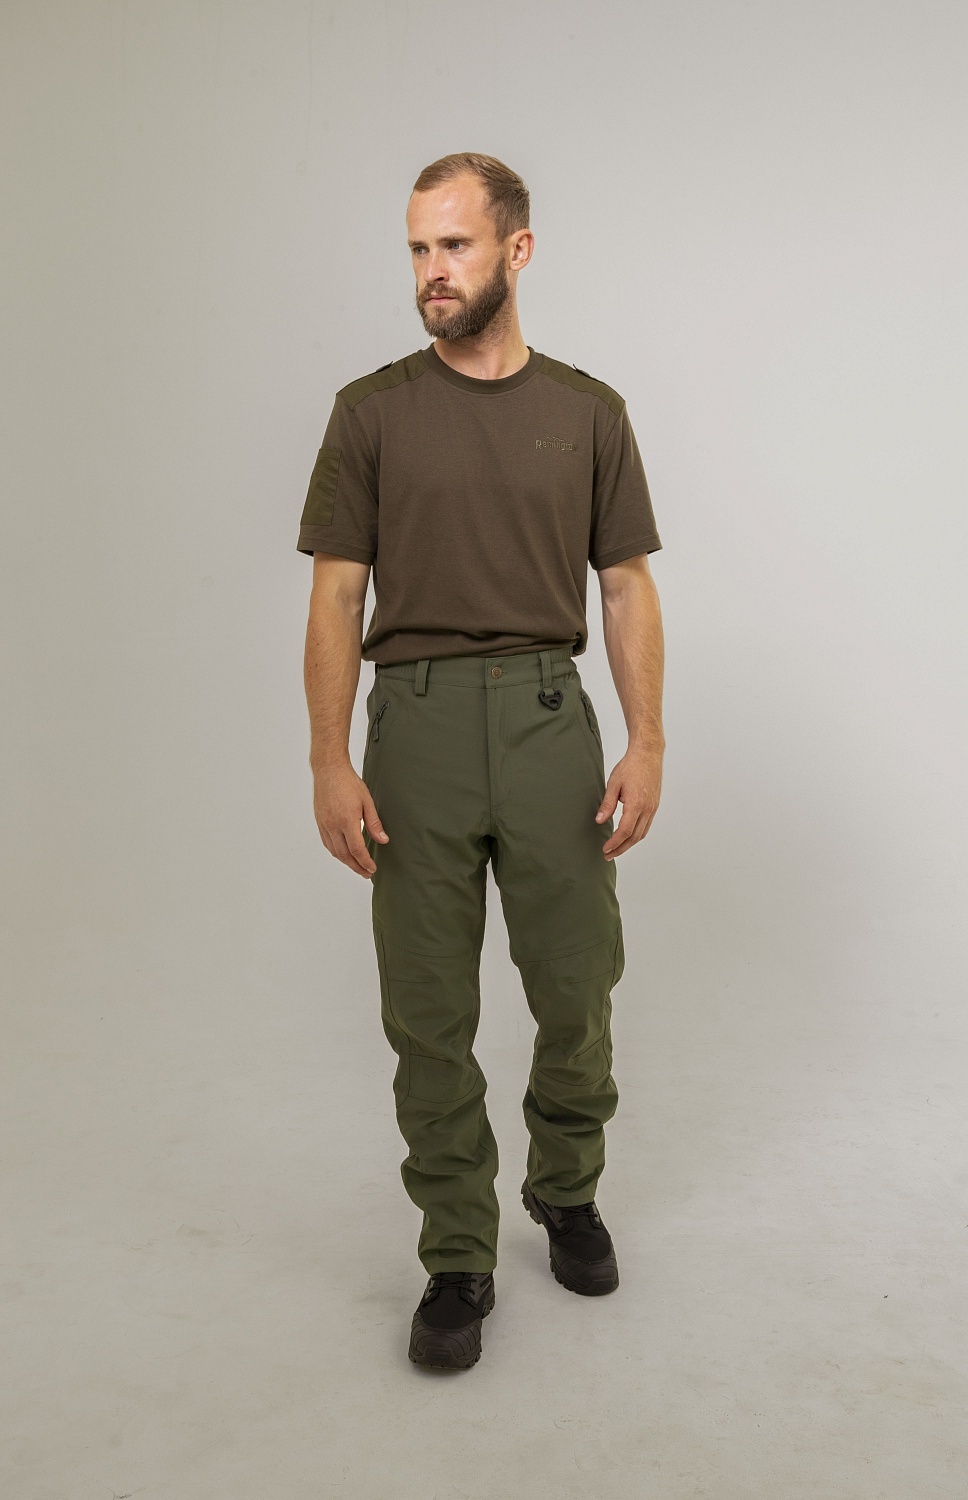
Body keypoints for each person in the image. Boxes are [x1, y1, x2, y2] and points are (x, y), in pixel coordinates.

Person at [298, 152, 664, 1371]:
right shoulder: (371, 411)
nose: (431, 272)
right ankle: (457, 1251)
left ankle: (565, 1187)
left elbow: (625, 585)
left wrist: (647, 739)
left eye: (453, 246)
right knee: (428, 1011)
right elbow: (336, 595)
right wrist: (329, 759)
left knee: (577, 984)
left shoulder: (589, 411)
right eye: (417, 249)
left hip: (553, 721)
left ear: (517, 249)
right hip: (417, 730)